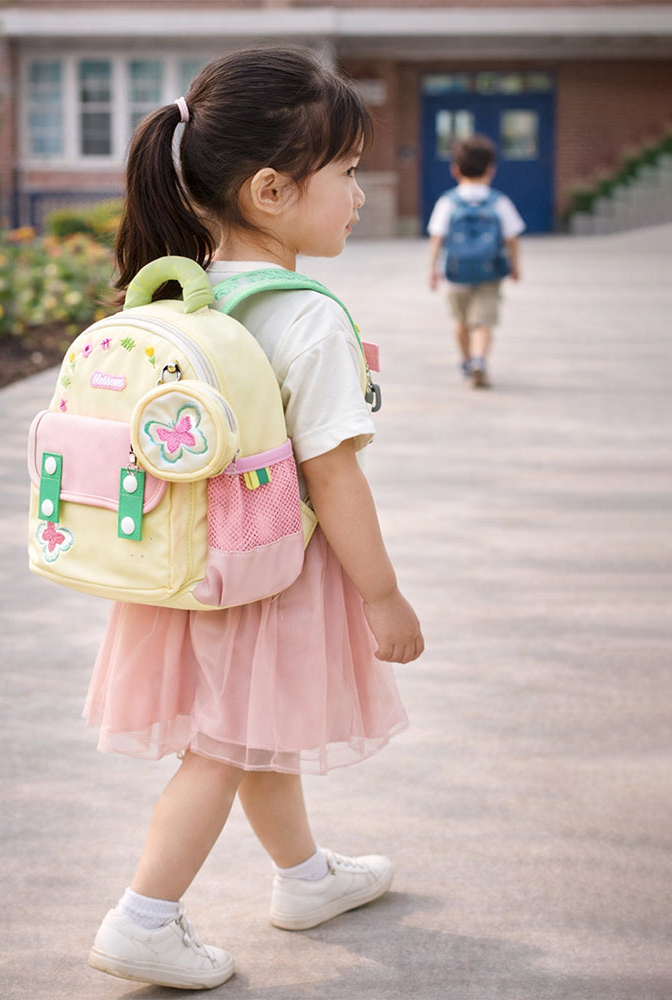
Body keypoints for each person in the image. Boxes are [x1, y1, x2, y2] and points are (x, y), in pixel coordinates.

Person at [81, 47, 424, 990]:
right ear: (273, 190)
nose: (360, 192)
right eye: (348, 172)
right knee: (223, 747)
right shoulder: (307, 319)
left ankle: (304, 877)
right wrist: (383, 597)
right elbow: (334, 477)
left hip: (197, 568)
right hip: (271, 576)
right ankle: (145, 916)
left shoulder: (195, 291)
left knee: (248, 728)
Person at [427, 134, 525, 388]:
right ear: (490, 170)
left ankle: (466, 360)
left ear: (455, 170)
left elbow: (437, 238)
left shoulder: (448, 201)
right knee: (483, 322)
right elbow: (512, 238)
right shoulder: (498, 201)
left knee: (461, 322)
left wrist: (433, 270)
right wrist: (516, 265)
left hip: (456, 273)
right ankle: (480, 360)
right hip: (490, 272)